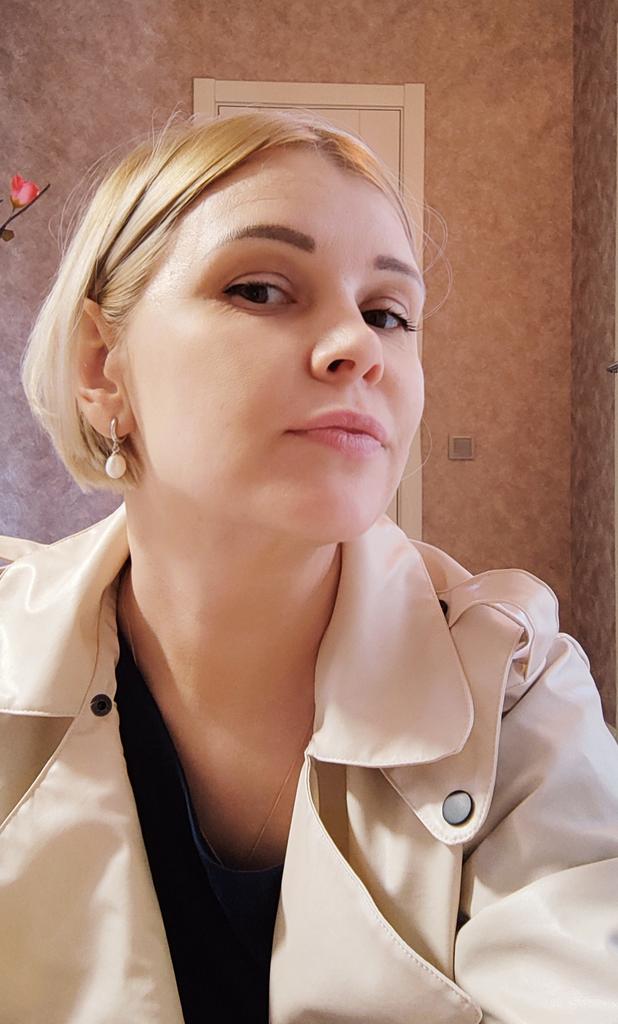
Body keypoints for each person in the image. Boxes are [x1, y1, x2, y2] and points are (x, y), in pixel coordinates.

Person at [0, 107, 617, 1024]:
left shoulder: (516, 689)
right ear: (102, 366)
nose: (358, 346)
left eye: (388, 313)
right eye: (259, 289)